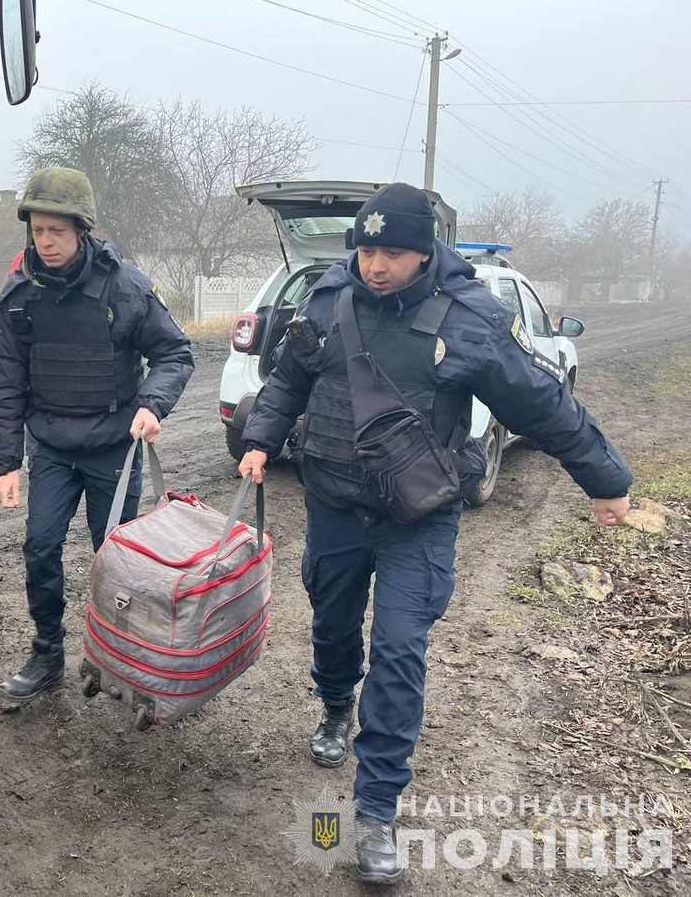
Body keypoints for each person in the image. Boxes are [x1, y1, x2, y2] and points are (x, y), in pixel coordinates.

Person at [239, 182, 632, 885]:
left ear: (424, 253)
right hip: (333, 503)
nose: (376, 264)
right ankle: (334, 706)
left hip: (417, 519)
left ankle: (376, 810)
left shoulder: (467, 318)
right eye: (367, 248)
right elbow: (287, 380)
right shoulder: (328, 303)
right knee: (331, 623)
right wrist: (262, 438)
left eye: (393, 251)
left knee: (398, 652)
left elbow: (541, 401)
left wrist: (604, 478)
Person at [0, 167, 194, 704]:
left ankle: (118, 657)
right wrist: (7, 462)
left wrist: (152, 404)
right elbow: (7, 377)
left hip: (112, 447)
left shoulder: (124, 286)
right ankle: (47, 652)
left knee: (117, 561)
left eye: (56, 230)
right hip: (52, 445)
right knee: (39, 546)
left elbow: (174, 352)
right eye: (37, 231)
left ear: (81, 228)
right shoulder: (20, 295)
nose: (46, 241)